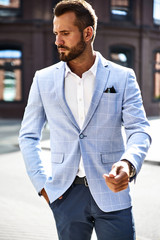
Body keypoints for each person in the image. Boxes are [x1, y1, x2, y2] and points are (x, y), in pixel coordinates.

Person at [19, 0, 151, 239]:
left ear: (87, 33)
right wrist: (42, 185)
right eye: (56, 33)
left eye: (65, 33)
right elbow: (28, 136)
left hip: (113, 194)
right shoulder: (43, 79)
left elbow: (139, 129)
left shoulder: (122, 77)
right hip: (65, 195)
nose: (57, 41)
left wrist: (129, 164)